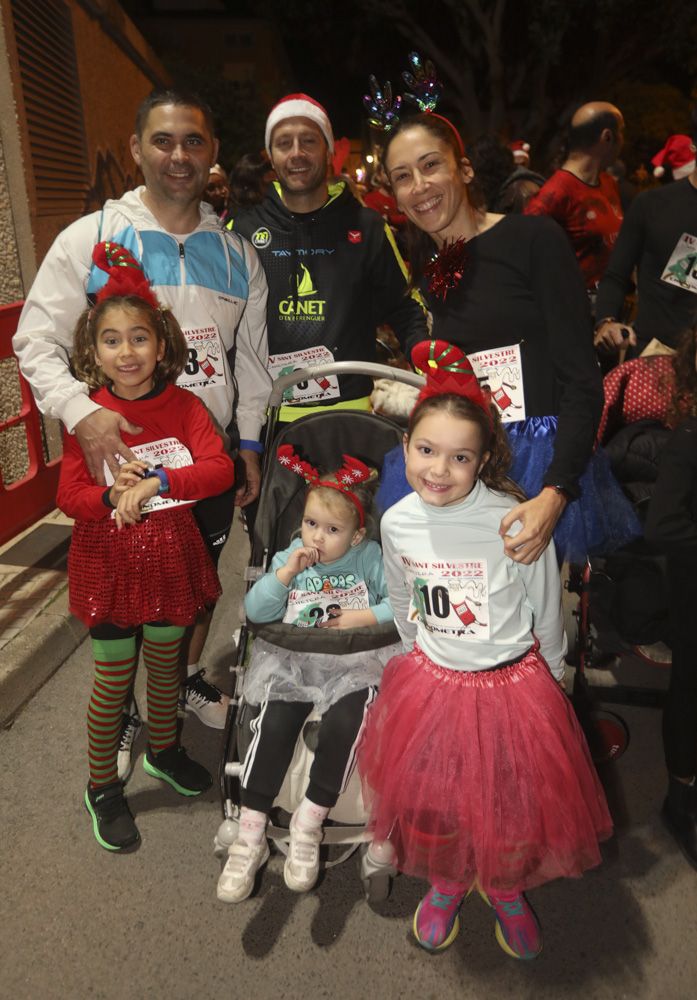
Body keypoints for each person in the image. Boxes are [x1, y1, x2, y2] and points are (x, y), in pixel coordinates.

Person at [13, 87, 272, 736]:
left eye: (193, 141)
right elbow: (33, 342)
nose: (177, 155)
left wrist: (245, 446)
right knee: (122, 608)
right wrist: (82, 413)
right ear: (135, 149)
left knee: (195, 588)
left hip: (201, 466)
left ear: (212, 152)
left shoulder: (238, 253)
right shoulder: (93, 237)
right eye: (162, 140)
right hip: (117, 467)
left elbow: (252, 362)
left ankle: (177, 684)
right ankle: (124, 714)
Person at [358, 341, 612, 958]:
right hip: (436, 684)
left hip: (511, 686)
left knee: (509, 799)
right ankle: (448, 878)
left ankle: (502, 882)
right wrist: (420, 657)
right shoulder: (396, 521)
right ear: (405, 448)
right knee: (442, 796)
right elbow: (402, 594)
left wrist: (551, 683)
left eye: (459, 457)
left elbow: (546, 608)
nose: (438, 470)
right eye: (425, 451)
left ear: (482, 459)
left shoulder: (514, 520)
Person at [379, 109, 632, 566]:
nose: (419, 185)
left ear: (465, 168)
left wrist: (556, 492)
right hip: (464, 467)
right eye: (402, 176)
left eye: (431, 165)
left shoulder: (533, 238)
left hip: (540, 466)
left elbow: (581, 378)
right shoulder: (430, 272)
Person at [56, 242, 236, 851]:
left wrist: (161, 482)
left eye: (139, 338)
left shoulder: (185, 406)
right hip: (108, 560)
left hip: (172, 554)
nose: (126, 352)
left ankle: (164, 749)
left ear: (162, 346)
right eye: (111, 339)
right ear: (93, 350)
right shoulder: (87, 417)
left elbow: (219, 470)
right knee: (112, 680)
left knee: (165, 667)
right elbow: (70, 496)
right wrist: (110, 499)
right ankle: (102, 786)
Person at [216, 446, 396, 902]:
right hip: (293, 659)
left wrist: (363, 618)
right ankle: (251, 832)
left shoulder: (369, 558)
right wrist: (283, 576)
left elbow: (400, 601)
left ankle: (310, 819)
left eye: (332, 530)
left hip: (353, 661)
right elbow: (254, 610)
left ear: (355, 537)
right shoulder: (292, 556)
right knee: (273, 721)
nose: (317, 536)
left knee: (348, 721)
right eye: (311, 523)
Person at [233, 93, 427, 423]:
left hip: (352, 414)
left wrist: (433, 366)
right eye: (284, 143)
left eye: (308, 140)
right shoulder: (243, 229)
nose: (296, 153)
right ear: (271, 156)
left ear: (329, 150)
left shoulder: (367, 227)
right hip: (268, 417)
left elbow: (405, 309)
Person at [645, 326, 697, 870]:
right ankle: (679, 800)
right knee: (691, 687)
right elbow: (663, 526)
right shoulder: (689, 438)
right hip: (693, 585)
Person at [595, 121, 697, 358]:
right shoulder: (652, 205)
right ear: (693, 144)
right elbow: (616, 276)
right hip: (656, 357)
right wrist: (606, 321)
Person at [524, 102, 624, 300]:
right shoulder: (556, 192)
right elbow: (524, 252)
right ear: (607, 137)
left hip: (609, 308)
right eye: (622, 132)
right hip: (576, 310)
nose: (624, 141)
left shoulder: (608, 183)